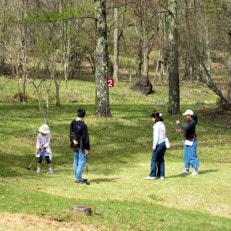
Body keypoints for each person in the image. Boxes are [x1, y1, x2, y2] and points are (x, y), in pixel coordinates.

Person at [176, 109, 200, 176]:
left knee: (192, 156)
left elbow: (185, 128)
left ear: (190, 115)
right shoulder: (190, 122)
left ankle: (196, 170)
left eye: (186, 115)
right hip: (187, 141)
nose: (185, 116)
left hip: (192, 141)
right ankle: (186, 169)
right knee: (186, 156)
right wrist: (181, 130)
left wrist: (179, 124)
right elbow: (186, 129)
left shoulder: (192, 122)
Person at [70, 109, 90, 184]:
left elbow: (71, 134)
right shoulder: (83, 125)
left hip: (74, 144)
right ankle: (78, 178)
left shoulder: (72, 123)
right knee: (81, 161)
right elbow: (85, 137)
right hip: (81, 145)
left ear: (77, 114)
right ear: (84, 116)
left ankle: (78, 177)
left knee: (76, 161)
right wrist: (87, 147)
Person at [145, 112, 167, 180]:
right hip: (164, 143)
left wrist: (154, 145)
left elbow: (156, 137)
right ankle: (161, 175)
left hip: (159, 144)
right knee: (161, 159)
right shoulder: (163, 124)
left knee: (154, 160)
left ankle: (152, 175)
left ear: (155, 118)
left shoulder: (156, 125)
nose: (152, 119)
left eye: (152, 118)